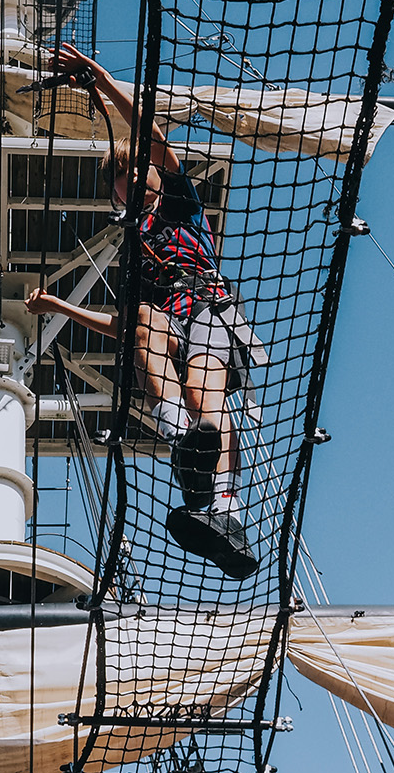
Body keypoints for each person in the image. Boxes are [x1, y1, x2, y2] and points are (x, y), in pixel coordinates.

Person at [24, 42, 263, 580]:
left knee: (205, 392)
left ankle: (225, 508)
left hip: (207, 308)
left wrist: (104, 82)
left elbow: (153, 137)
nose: (131, 177)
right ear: (114, 191)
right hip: (166, 320)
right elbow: (123, 327)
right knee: (142, 318)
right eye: (121, 174)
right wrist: (60, 306)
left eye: (138, 169)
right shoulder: (132, 247)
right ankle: (179, 436)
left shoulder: (179, 203)